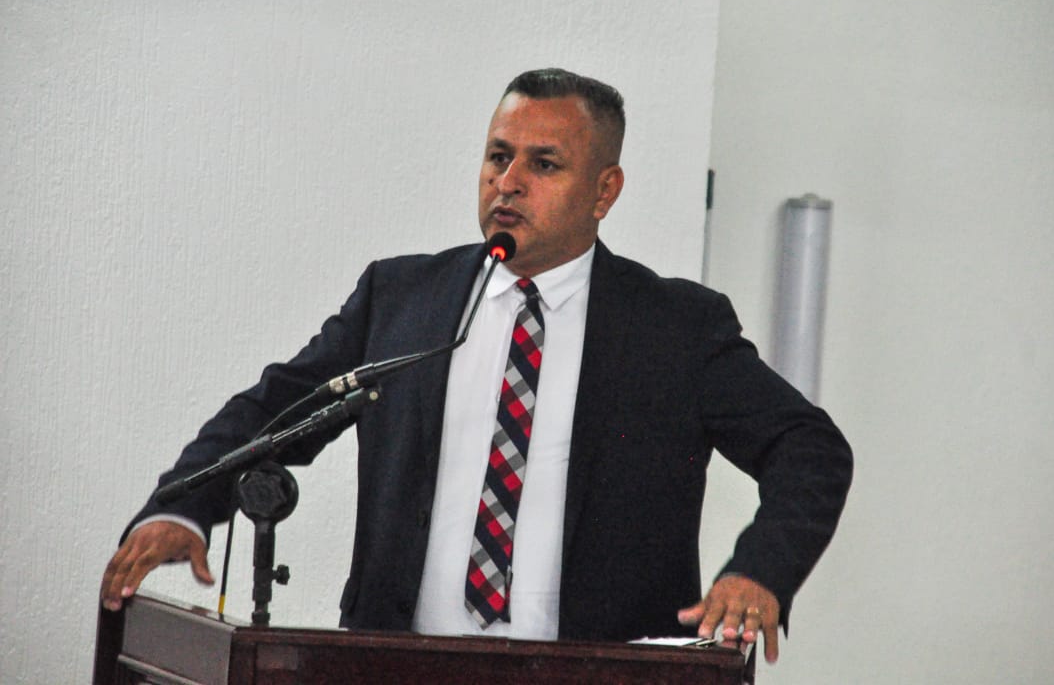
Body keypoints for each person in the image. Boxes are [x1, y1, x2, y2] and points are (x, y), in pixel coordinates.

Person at [100, 68, 852, 664]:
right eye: (498, 156)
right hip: (401, 665)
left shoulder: (673, 326)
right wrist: (181, 507)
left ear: (604, 191)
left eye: (543, 164)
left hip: (602, 669)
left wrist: (760, 570)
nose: (508, 181)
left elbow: (809, 447)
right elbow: (279, 408)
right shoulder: (403, 300)